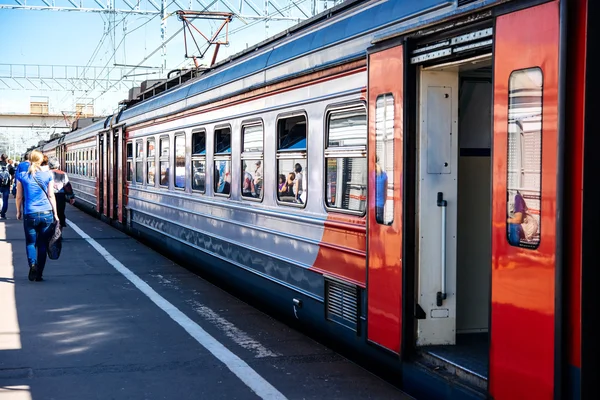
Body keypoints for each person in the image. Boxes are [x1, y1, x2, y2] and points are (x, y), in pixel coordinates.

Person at [16, 150, 59, 282]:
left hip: (30, 213)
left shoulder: (22, 175)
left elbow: (18, 196)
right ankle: (39, 274)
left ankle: (32, 265)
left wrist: (18, 211)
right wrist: (56, 214)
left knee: (30, 243)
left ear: (29, 160)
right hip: (46, 213)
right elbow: (51, 195)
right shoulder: (48, 175)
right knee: (42, 244)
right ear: (41, 160)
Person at [49, 156, 75, 228]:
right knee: (60, 213)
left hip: (48, 196)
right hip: (60, 196)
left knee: (50, 213)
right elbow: (67, 186)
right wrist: (71, 197)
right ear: (58, 165)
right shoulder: (62, 174)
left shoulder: (46, 173)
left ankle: (50, 231)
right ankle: (58, 232)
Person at [0, 154, 15, 219]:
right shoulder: (9, 166)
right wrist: (11, 182)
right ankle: (3, 214)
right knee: (5, 200)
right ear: (7, 158)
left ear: (1, 158)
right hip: (6, 185)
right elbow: (13, 175)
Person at [375, 156, 388, 224]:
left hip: (371, 206)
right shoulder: (384, 175)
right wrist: (382, 203)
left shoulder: (371, 175)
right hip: (380, 206)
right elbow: (385, 193)